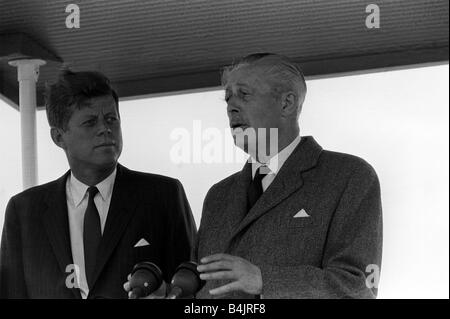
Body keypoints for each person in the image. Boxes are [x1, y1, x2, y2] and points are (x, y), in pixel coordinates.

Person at [195, 53, 383, 299]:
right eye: (228, 97)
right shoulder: (218, 196)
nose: (231, 106)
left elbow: (358, 286)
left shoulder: (349, 177)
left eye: (244, 94)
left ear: (287, 103)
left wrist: (265, 281)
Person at [0, 70, 196, 299]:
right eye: (90, 122)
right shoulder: (24, 212)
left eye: (112, 119)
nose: (105, 128)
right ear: (58, 137)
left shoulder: (163, 195)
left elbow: (190, 288)